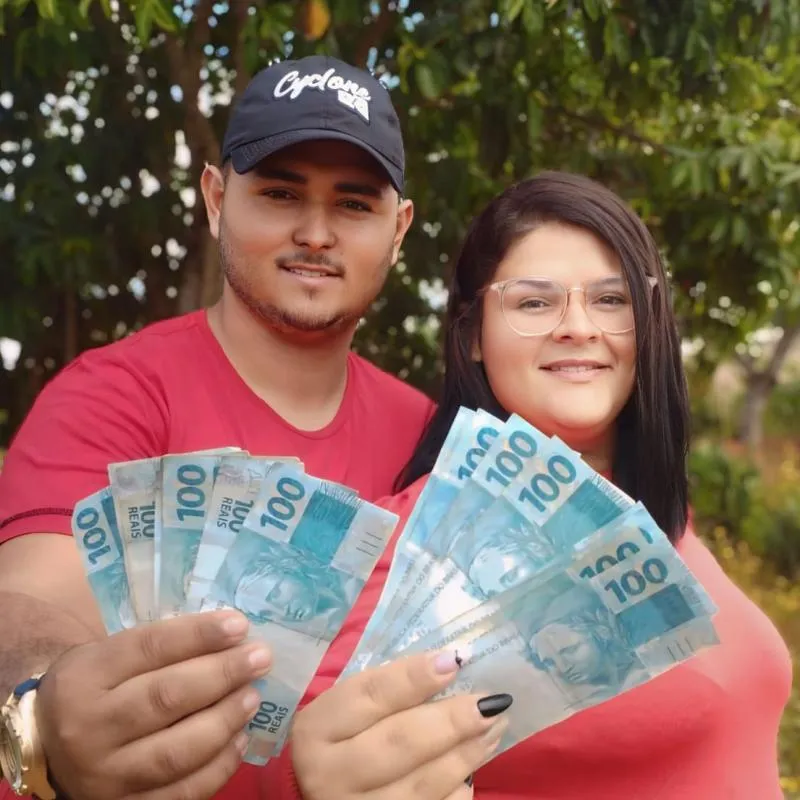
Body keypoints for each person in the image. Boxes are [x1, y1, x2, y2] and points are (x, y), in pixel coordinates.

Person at [256, 171, 792, 799]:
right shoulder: (412, 547)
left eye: (611, 300)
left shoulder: (660, 515)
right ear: (472, 337)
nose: (578, 327)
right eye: (534, 303)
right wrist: (295, 781)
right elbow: (290, 756)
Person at [0, 54, 434, 800]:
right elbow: (28, 602)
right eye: (279, 193)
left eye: (354, 205)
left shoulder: (428, 431)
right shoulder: (111, 396)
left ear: (398, 231)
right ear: (215, 198)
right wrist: (48, 712)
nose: (315, 233)